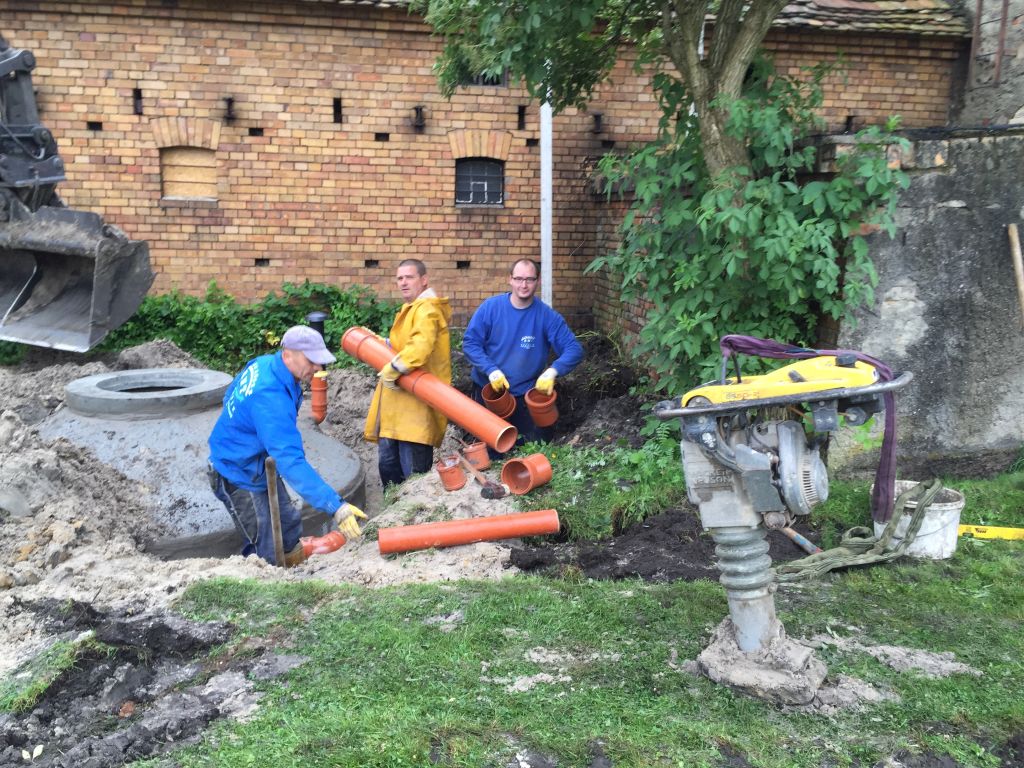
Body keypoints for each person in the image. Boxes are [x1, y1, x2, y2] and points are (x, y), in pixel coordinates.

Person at [208, 325, 366, 566]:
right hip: (237, 472)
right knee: (266, 545)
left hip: (256, 464)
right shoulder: (271, 397)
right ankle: (268, 579)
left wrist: (252, 433)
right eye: (311, 360)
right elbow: (290, 461)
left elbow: (229, 396)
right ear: (288, 354)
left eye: (320, 361)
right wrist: (336, 507)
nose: (318, 368)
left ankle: (292, 566)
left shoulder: (264, 364)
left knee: (288, 524)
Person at [462, 258, 583, 450]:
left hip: (524, 396)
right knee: (490, 452)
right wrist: (491, 370)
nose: (523, 285)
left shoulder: (546, 316)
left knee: (531, 448)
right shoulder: (491, 308)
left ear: (538, 281)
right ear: (510, 279)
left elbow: (574, 349)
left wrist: (553, 371)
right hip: (489, 394)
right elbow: (470, 343)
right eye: (518, 279)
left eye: (529, 279)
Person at [364, 258, 452, 487]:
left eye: (409, 277)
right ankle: (391, 512)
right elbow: (406, 344)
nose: (403, 282)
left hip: (416, 411)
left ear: (424, 280)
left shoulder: (427, 309)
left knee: (413, 482)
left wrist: (394, 368)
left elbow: (419, 348)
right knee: (389, 472)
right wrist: (382, 344)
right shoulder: (413, 309)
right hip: (397, 410)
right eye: (400, 278)